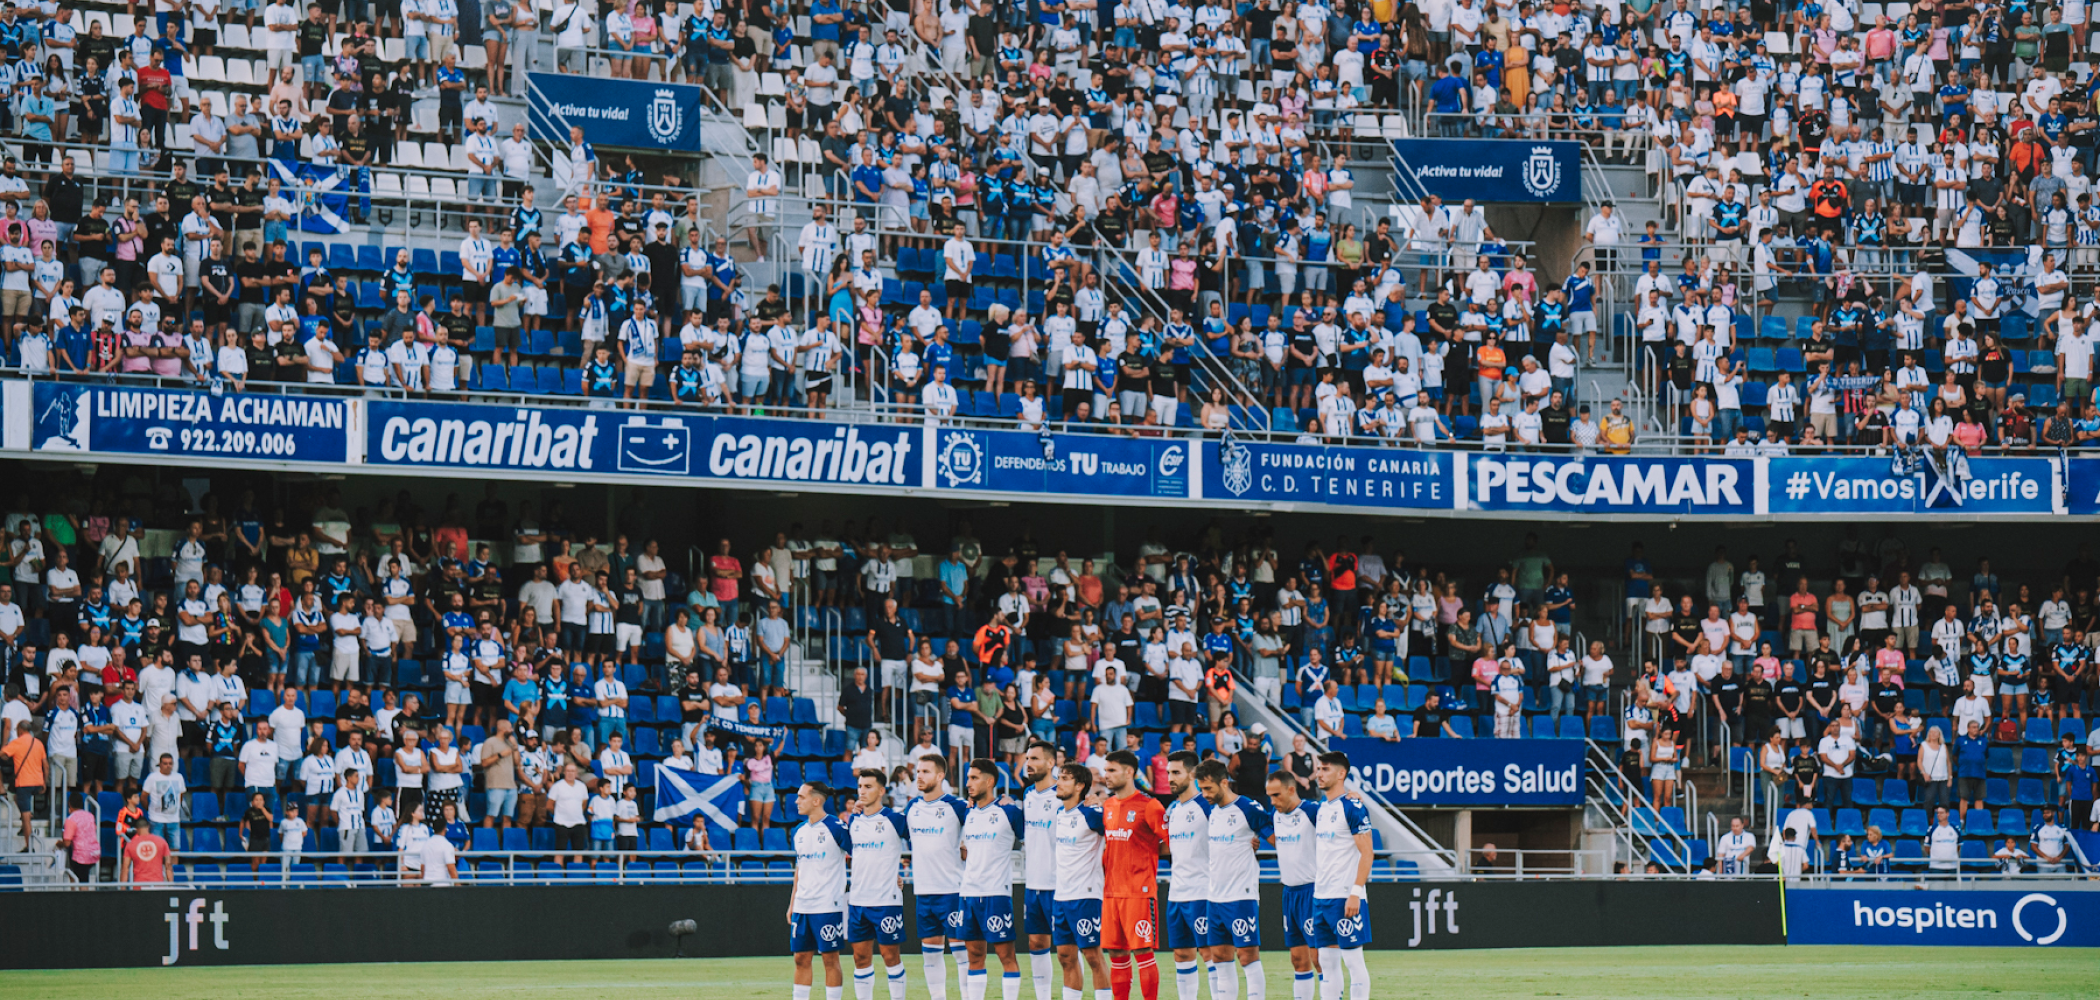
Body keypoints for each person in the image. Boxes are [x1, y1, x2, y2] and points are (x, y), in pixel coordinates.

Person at [957, 758, 1027, 1000]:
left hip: (996, 893)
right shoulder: (968, 813)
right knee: (974, 956)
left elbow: (1032, 841)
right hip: (968, 893)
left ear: (990, 781)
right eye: (967, 778)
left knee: (1006, 956)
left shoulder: (1009, 812)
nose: (968, 783)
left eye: (974, 778)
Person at [904, 755, 970, 998]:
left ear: (940, 776)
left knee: (961, 954)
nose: (919, 776)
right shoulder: (912, 807)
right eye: (918, 771)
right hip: (923, 892)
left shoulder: (958, 806)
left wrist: (967, 845)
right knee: (930, 954)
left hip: (952, 890)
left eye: (926, 771)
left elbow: (981, 827)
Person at [1309, 751, 1371, 1000]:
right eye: (1318, 769)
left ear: (1341, 773)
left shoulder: (1353, 806)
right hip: (1321, 897)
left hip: (1345, 896)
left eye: (1324, 769)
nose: (1318, 774)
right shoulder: (1323, 808)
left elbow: (1367, 853)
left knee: (1354, 962)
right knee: (1326, 964)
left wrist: (1355, 893)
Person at [844, 768, 910, 1000]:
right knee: (860, 959)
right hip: (858, 901)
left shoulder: (894, 819)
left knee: (890, 958)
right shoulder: (853, 820)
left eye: (868, 786)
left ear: (881, 791)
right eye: (860, 786)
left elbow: (923, 842)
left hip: (886, 901)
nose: (862, 790)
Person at [1050, 762, 1111, 1000]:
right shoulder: (1059, 813)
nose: (1059, 782)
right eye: (1059, 777)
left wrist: (1102, 803)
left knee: (1093, 956)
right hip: (1061, 896)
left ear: (1079, 786)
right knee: (1065, 956)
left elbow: (1114, 827)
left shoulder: (1091, 814)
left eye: (1065, 778)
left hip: (1086, 895)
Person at [789, 781, 851, 1000]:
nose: (796, 801)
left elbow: (860, 857)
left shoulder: (837, 827)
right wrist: (792, 903)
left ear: (816, 801)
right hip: (802, 906)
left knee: (830, 959)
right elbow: (800, 868)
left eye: (801, 797)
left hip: (828, 905)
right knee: (800, 959)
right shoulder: (798, 831)